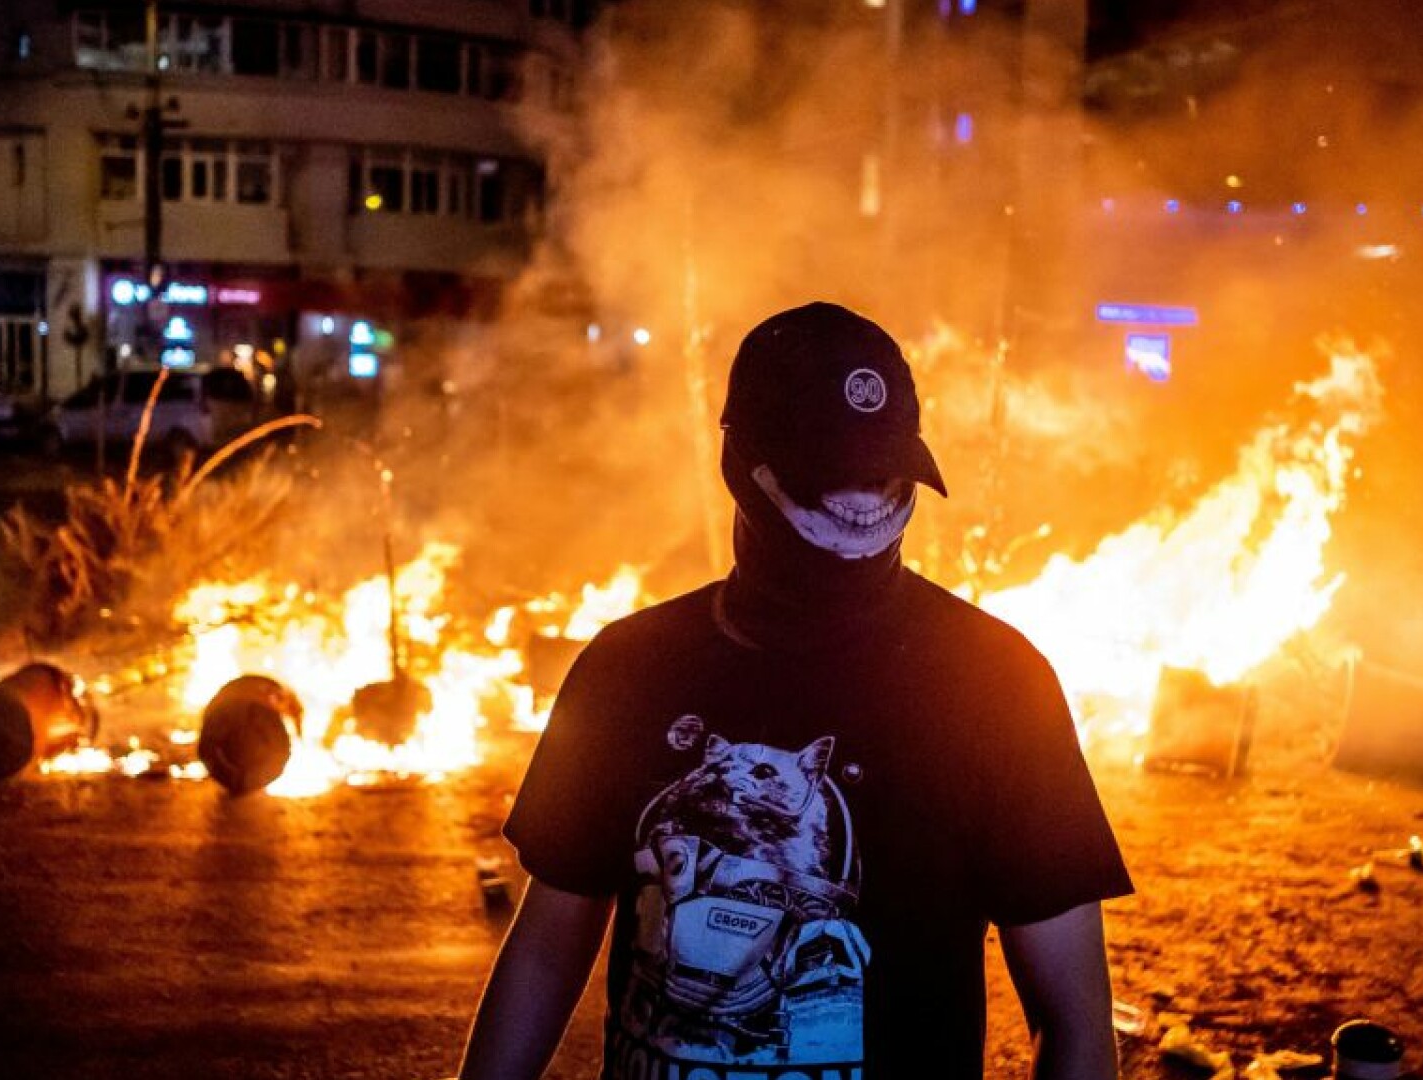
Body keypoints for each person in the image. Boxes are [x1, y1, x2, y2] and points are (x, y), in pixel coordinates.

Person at [459, 301, 1132, 1080]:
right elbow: (547, 950)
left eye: (883, 467)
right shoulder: (629, 668)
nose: (864, 498)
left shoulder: (996, 683)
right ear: (745, 464)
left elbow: (1076, 1022)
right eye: (831, 468)